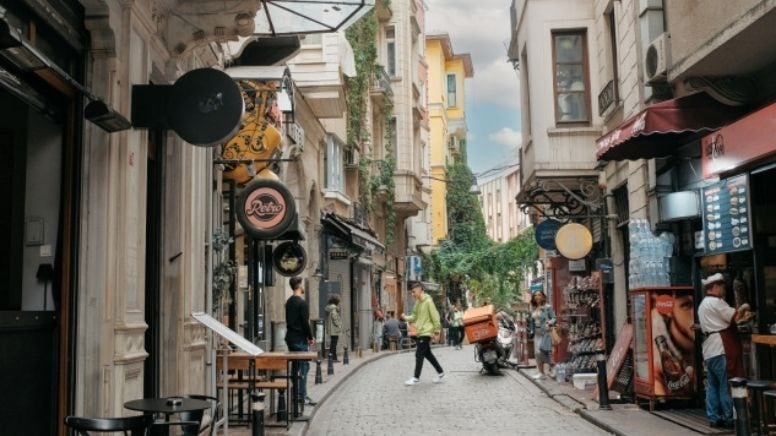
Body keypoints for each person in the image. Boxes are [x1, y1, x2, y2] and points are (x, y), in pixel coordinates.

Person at [698, 272, 753, 429]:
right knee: (726, 385)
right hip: (721, 348)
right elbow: (735, 317)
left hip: (709, 350)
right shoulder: (716, 302)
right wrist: (745, 306)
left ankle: (714, 417)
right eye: (722, 287)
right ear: (715, 287)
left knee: (713, 386)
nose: (724, 290)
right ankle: (729, 417)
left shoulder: (703, 304)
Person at [402, 281, 445, 385]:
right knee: (428, 354)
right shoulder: (418, 303)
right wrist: (405, 317)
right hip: (420, 332)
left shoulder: (428, 302)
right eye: (412, 292)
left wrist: (437, 331)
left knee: (419, 354)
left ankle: (416, 378)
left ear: (420, 290)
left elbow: (435, 317)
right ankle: (441, 372)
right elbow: (414, 316)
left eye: (414, 292)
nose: (412, 294)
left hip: (426, 333)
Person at [285, 276, 316, 406]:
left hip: (290, 338)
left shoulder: (288, 302)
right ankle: (301, 396)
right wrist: (310, 337)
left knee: (295, 367)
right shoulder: (302, 304)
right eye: (301, 284)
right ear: (298, 286)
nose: (303, 287)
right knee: (303, 367)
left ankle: (296, 394)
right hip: (299, 339)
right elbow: (305, 323)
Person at [530, 291, 556, 380]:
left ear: (543, 297)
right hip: (536, 333)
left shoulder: (547, 307)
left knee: (542, 351)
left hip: (545, 333)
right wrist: (531, 330)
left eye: (539, 295)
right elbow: (532, 321)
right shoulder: (534, 308)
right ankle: (541, 373)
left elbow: (554, 318)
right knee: (537, 353)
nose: (537, 297)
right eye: (535, 295)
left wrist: (549, 323)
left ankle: (552, 368)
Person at [324, 293, 342, 362]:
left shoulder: (329, 307)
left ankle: (333, 358)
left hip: (331, 328)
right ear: (336, 301)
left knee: (333, 343)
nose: (339, 302)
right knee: (334, 344)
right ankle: (332, 358)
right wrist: (338, 325)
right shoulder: (334, 308)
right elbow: (334, 317)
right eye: (339, 301)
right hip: (334, 329)